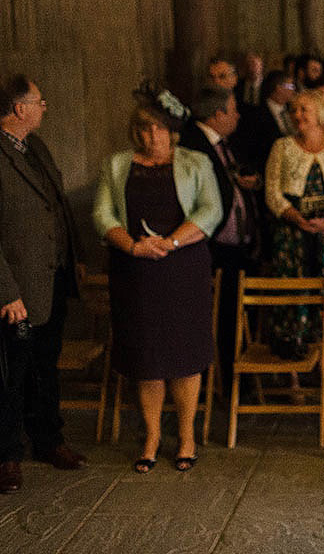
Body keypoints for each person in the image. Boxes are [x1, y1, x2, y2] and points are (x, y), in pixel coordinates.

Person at [92, 84, 222, 473]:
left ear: (172, 129)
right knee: (145, 357)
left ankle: (186, 435)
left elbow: (212, 210)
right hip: (135, 272)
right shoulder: (116, 165)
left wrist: (172, 241)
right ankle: (151, 436)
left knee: (184, 356)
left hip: (184, 269)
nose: (153, 136)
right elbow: (102, 217)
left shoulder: (196, 162)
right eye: (146, 130)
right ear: (137, 132)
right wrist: (134, 246)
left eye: (160, 129)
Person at [0, 76, 87, 493]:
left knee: (45, 366)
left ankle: (49, 440)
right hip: (16, 289)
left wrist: (75, 258)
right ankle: (6, 455)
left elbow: (58, 205)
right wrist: (6, 291)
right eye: (39, 100)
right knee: (11, 375)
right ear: (18, 109)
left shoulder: (35, 147)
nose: (45, 106)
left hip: (52, 276)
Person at [179, 88, 260, 395]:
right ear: (217, 115)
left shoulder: (225, 145)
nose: (238, 115)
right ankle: (224, 384)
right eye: (233, 109)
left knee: (234, 314)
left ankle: (234, 381)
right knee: (222, 316)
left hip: (238, 247)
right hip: (214, 249)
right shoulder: (193, 147)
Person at [264, 90, 324, 356]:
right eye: (294, 111)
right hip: (292, 234)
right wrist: (298, 219)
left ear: (319, 113)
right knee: (294, 294)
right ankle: (293, 375)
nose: (297, 115)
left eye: (304, 110)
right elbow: (272, 192)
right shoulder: (282, 146)